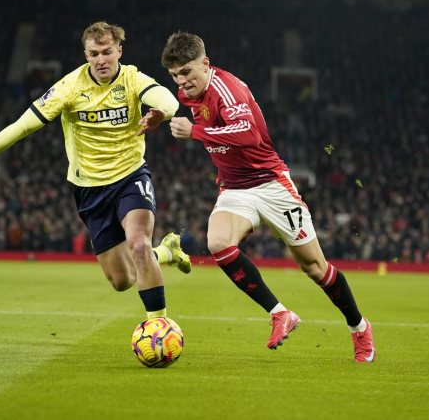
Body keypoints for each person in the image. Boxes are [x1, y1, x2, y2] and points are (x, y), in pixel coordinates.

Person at [0, 21, 190, 320]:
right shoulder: (68, 87)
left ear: (119, 51)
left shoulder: (132, 78)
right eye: (94, 53)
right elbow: (22, 126)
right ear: (85, 55)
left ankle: (159, 326)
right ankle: (165, 252)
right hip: (89, 188)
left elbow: (168, 98)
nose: (101, 59)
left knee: (138, 243)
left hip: (130, 176)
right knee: (122, 280)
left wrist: (159, 114)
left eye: (107, 52)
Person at [160, 31, 375, 362]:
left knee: (315, 268)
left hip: (272, 185)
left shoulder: (226, 90)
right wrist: (157, 117)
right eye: (175, 75)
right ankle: (279, 313)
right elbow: (178, 106)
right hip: (234, 187)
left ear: (205, 63)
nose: (182, 81)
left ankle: (359, 329)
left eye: (186, 72)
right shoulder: (188, 92)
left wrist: (196, 132)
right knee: (218, 243)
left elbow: (248, 134)